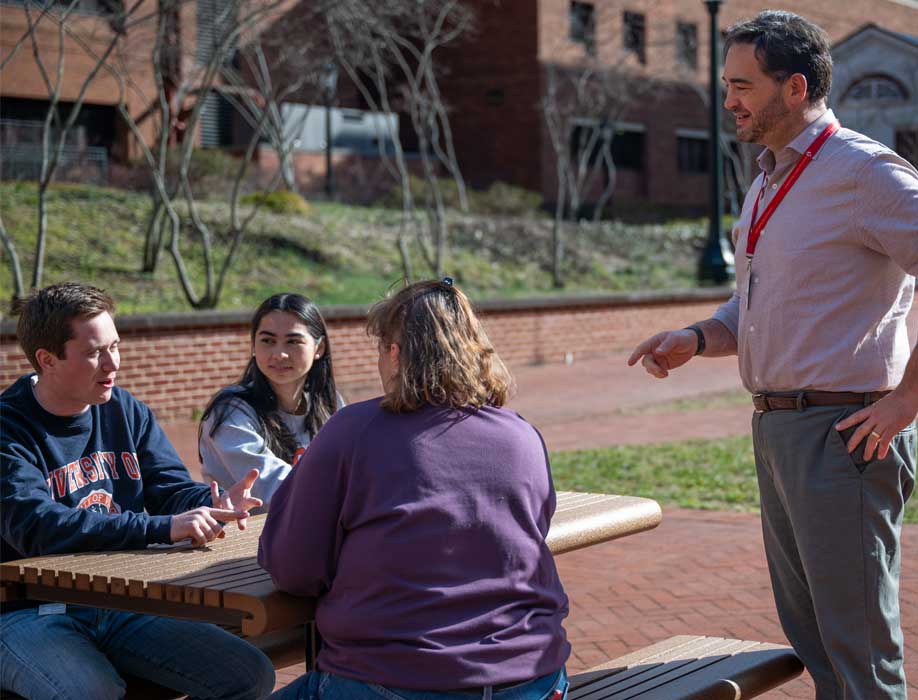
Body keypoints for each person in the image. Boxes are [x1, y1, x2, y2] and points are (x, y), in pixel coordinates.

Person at [628, 11, 918, 700]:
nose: (729, 99)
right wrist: (699, 337)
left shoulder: (861, 170)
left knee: (860, 657)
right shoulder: (767, 179)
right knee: (818, 646)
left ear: (794, 87)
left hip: (843, 436)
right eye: (727, 83)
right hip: (777, 431)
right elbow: (764, 305)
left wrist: (907, 398)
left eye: (742, 84)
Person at [260, 279, 571, 700]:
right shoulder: (521, 435)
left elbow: (293, 568)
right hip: (533, 679)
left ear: (393, 352)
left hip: (394, 678)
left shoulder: (353, 431)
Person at [0, 282, 275, 700]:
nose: (113, 363)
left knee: (249, 674)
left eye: (116, 346)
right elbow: (38, 527)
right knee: (94, 693)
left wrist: (210, 504)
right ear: (47, 359)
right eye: (95, 352)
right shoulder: (9, 429)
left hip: (119, 601)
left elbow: (168, 488)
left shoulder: (125, 409)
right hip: (27, 610)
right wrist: (163, 528)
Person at [199, 292, 343, 509]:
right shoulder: (229, 412)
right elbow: (272, 488)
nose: (279, 354)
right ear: (253, 346)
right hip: (244, 538)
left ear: (319, 348)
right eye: (268, 340)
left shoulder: (330, 404)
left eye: (293, 341)